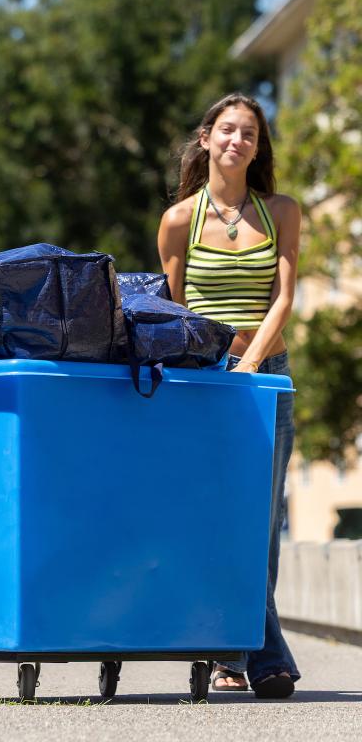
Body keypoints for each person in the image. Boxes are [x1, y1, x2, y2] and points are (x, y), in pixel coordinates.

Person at [158, 93, 301, 699]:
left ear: (257, 147)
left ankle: (241, 647)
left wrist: (249, 364)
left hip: (265, 375)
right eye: (227, 129)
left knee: (262, 521)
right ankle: (254, 651)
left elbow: (284, 300)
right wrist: (212, 369)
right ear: (207, 139)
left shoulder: (282, 211)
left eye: (249, 133)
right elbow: (172, 310)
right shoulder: (177, 220)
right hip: (202, 379)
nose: (237, 140)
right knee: (213, 514)